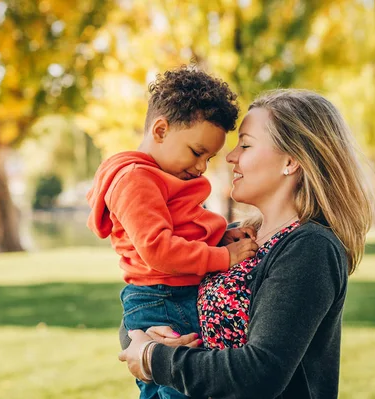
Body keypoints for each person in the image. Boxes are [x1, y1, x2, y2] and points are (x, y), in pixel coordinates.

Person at [119, 89, 375, 399]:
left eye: (246, 144)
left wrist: (153, 358)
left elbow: (260, 370)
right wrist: (146, 337)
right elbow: (156, 300)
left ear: (291, 161)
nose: (230, 156)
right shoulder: (237, 237)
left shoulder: (310, 247)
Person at [86, 66, 259, 399]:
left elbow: (182, 228)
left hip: (171, 292)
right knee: (181, 387)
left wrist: (218, 238)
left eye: (208, 158)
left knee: (166, 387)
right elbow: (159, 249)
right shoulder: (135, 180)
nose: (200, 168)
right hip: (162, 297)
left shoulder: (162, 176)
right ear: (161, 130)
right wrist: (223, 257)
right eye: (196, 152)